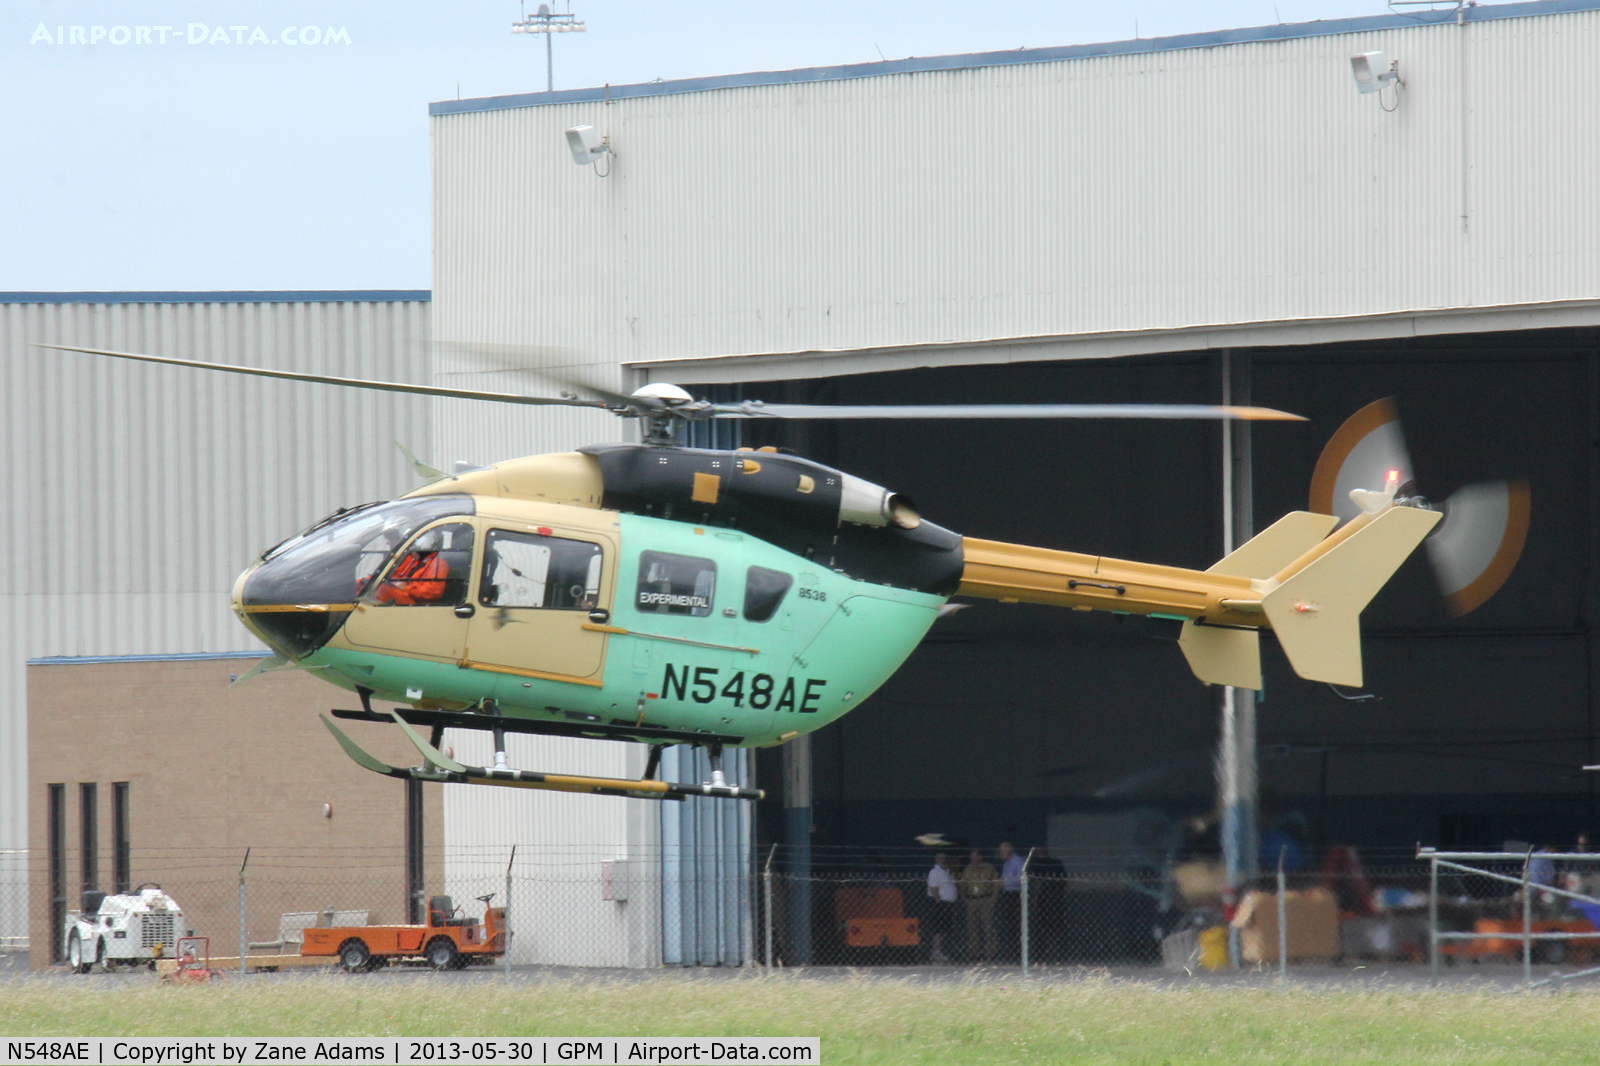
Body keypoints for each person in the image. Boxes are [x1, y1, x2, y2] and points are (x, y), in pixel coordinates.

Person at [376, 529, 451, 605]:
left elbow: (434, 592)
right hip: (408, 597)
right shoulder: (417, 562)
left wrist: (406, 588)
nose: (410, 553)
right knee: (377, 585)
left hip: (419, 604)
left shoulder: (438, 563)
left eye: (412, 549)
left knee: (383, 589)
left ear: (421, 548)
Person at [959, 848, 998, 961]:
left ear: (980, 857)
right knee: (972, 928)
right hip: (972, 900)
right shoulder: (968, 868)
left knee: (988, 927)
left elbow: (996, 884)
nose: (972, 859)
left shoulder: (989, 868)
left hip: (985, 899)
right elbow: (963, 884)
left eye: (975, 856)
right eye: (971, 856)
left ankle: (990, 953)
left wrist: (993, 900)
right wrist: (965, 899)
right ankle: (974, 953)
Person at [925, 852, 959, 963]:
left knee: (944, 929)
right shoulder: (934, 872)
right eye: (941, 859)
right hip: (939, 904)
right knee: (938, 929)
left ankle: (940, 951)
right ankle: (936, 952)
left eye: (944, 859)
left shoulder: (948, 872)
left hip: (948, 904)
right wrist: (939, 901)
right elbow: (933, 889)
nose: (943, 861)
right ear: (937, 860)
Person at [997, 841, 1024, 961]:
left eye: (1002, 850)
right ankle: (1013, 953)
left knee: (1017, 925)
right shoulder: (1006, 864)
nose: (1000, 853)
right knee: (1010, 925)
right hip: (1007, 896)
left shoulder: (1018, 861)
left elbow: (1021, 879)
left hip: (1016, 896)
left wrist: (1005, 882)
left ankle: (1020, 953)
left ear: (1008, 851)